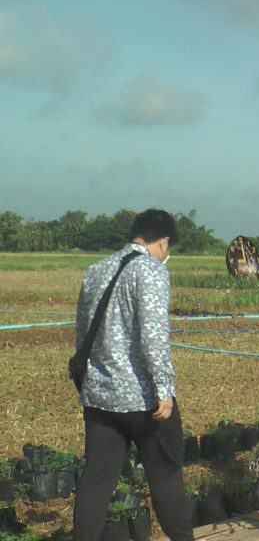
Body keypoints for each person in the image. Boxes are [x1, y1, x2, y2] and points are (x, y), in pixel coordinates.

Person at [72, 209, 194, 541]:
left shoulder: (96, 270)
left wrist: (91, 382)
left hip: (100, 396)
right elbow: (153, 336)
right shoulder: (150, 270)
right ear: (164, 241)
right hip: (143, 400)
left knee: (96, 481)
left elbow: (83, 334)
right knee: (165, 476)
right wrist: (164, 389)